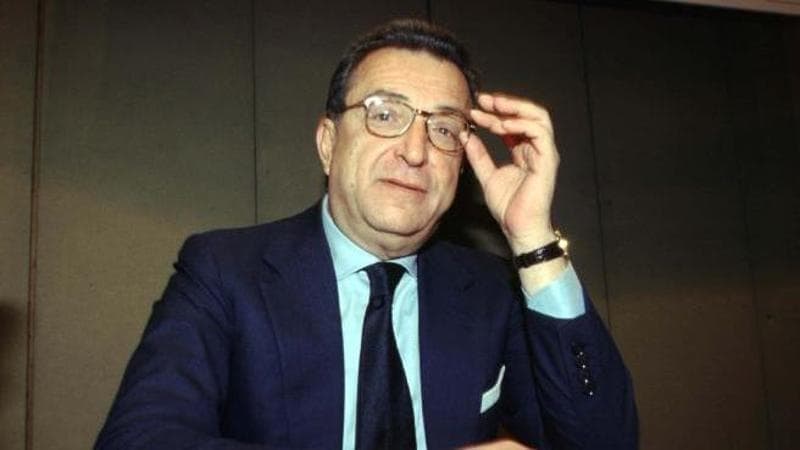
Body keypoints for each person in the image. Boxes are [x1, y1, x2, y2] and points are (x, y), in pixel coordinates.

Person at [95, 19, 637, 450]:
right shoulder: (224, 271)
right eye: (385, 115)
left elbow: (603, 441)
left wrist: (533, 240)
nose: (416, 150)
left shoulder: (492, 292)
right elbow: (139, 439)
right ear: (328, 144)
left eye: (443, 128)